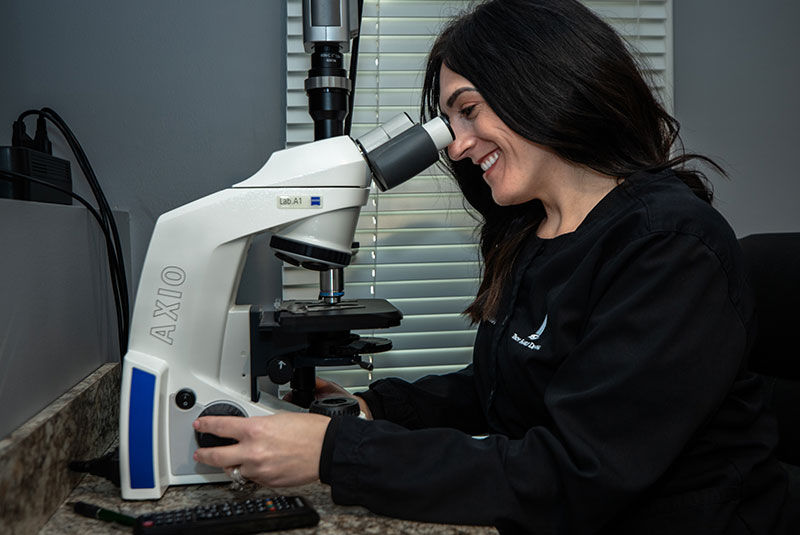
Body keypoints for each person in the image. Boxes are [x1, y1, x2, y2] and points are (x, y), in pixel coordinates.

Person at [193, 1, 792, 533]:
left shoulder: (670, 246)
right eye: (451, 122)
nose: (456, 145)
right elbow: (501, 389)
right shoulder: (534, 231)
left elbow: (578, 474)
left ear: (543, 84)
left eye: (468, 110)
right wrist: (370, 409)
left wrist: (336, 452)